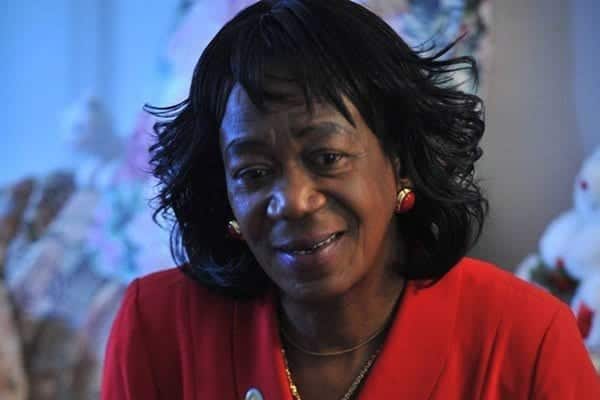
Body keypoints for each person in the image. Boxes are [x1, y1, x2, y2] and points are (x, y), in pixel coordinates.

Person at [101, 1, 600, 399]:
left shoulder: (524, 338)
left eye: (326, 157)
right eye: (253, 172)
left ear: (400, 158)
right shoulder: (157, 328)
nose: (293, 201)